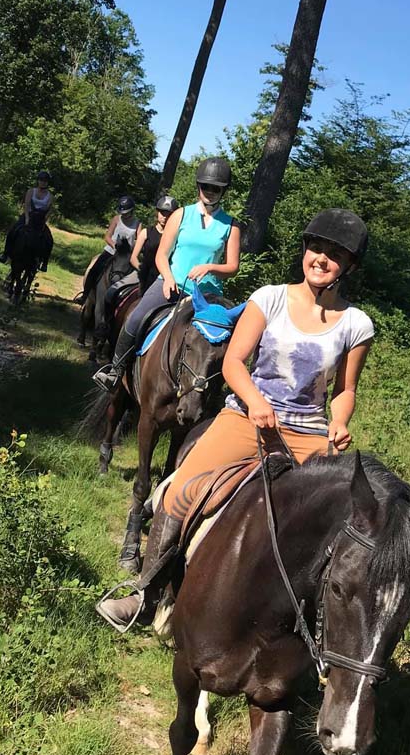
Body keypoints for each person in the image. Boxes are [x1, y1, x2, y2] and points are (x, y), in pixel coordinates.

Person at [96, 208, 374, 631]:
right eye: (316, 248)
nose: (321, 258)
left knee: (343, 520)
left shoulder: (356, 324)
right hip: (248, 419)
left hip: (308, 432)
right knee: (181, 491)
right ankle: (145, 594)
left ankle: (318, 626)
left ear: (350, 265)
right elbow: (235, 364)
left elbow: (345, 390)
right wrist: (255, 401)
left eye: (334, 254)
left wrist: (339, 422)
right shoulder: (269, 299)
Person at [92, 158, 240, 392]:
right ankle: (115, 369)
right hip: (172, 284)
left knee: (229, 336)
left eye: (216, 188)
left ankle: (222, 392)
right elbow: (162, 254)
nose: (210, 192)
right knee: (136, 316)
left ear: (224, 190)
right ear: (198, 186)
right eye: (206, 186)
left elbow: (233, 266)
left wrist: (211, 268)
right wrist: (168, 278)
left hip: (207, 295)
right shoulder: (180, 215)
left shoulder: (231, 225)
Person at [80, 195, 141, 301]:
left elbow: (139, 240)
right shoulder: (116, 219)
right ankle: (85, 295)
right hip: (111, 252)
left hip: (127, 256)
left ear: (132, 211)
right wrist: (114, 245)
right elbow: (107, 236)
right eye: (122, 213)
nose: (124, 215)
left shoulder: (137, 223)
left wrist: (134, 250)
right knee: (94, 270)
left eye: (126, 213)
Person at [0, 171, 54, 271]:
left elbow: (49, 210)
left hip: (40, 220)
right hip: (28, 216)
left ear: (47, 182)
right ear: (38, 180)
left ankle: (44, 263)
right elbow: (26, 205)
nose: (43, 182)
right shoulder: (31, 191)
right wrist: (27, 218)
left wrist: (44, 220)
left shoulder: (50, 196)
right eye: (41, 180)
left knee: (49, 239)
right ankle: (5, 253)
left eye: (45, 181)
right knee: (13, 230)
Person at [131, 194, 179, 294]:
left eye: (169, 214)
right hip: (144, 274)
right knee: (114, 291)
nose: (165, 217)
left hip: (166, 276)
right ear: (157, 213)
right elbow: (133, 258)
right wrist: (142, 271)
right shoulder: (145, 232)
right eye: (162, 213)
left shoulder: (176, 236)